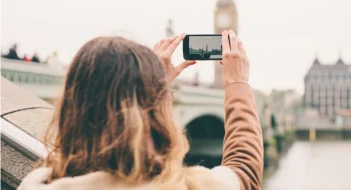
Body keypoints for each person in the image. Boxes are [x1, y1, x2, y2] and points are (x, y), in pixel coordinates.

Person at [17, 30, 263, 190]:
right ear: (154, 119)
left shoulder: (37, 184)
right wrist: (237, 83)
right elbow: (243, 169)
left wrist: (154, 87)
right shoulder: (186, 187)